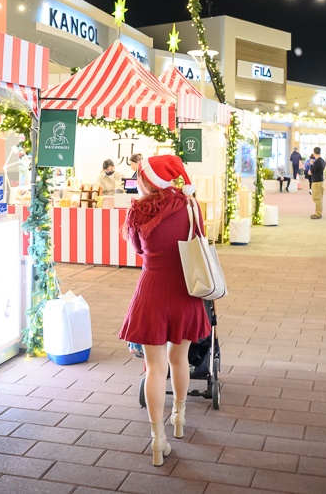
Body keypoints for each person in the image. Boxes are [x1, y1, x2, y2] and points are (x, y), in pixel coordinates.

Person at [119, 156, 210, 467]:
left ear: (149, 181)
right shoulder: (191, 206)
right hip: (185, 289)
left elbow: (138, 249)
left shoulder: (138, 210)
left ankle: (158, 439)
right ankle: (180, 417)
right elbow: (200, 240)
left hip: (152, 289)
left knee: (154, 368)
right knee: (179, 358)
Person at [309, 146, 325, 219]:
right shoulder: (322, 160)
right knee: (319, 198)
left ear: (314, 152)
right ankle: (318, 212)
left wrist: (311, 164)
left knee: (316, 198)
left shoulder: (317, 161)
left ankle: (318, 214)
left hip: (316, 182)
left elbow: (311, 171)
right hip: (321, 181)